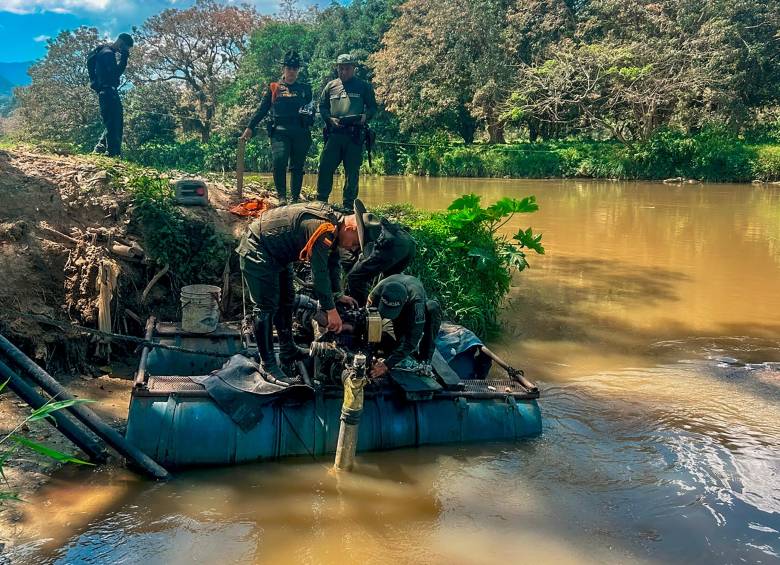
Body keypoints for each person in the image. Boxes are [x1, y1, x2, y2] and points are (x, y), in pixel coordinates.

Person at [236, 202, 360, 382]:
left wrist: (338, 295)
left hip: (278, 255)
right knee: (265, 308)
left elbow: (332, 264)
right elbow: (319, 274)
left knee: (287, 300)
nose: (352, 248)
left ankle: (288, 349)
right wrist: (330, 310)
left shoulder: (335, 228)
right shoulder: (324, 229)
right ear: (350, 227)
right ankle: (268, 364)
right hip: (258, 249)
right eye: (355, 243)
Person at [241, 50, 314, 204]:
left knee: (297, 166)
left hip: (300, 133)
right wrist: (250, 127)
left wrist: (309, 118)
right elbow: (262, 109)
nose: (292, 71)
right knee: (279, 162)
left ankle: (294, 199)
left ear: (298, 70)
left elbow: (311, 110)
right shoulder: (274, 87)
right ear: (283, 69)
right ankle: (281, 197)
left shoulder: (305, 89)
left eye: (295, 68)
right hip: (279, 132)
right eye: (289, 68)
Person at [316, 53, 377, 211]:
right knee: (325, 166)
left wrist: (365, 117)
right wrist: (329, 119)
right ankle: (321, 201)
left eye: (347, 68)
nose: (343, 71)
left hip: (354, 135)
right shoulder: (331, 86)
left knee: (352, 171)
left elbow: (372, 107)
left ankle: (348, 205)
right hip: (335, 134)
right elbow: (322, 106)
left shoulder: (363, 86)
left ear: (353, 69)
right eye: (340, 68)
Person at [367, 274, 442, 379]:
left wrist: (387, 365)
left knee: (432, 308)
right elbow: (367, 318)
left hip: (409, 309)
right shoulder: (377, 291)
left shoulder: (417, 303)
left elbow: (412, 340)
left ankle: (425, 360)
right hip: (395, 303)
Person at [346, 198, 416, 306]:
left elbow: (367, 258)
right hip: (407, 242)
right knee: (390, 279)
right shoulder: (379, 227)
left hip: (391, 246)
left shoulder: (379, 244)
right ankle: (387, 307)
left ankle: (360, 310)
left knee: (354, 278)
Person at [89, 33, 133, 157]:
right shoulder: (108, 54)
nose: (126, 50)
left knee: (112, 121)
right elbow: (115, 73)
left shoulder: (103, 51)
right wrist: (124, 58)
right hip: (108, 92)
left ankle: (100, 149)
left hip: (105, 91)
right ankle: (112, 153)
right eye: (126, 47)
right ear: (121, 43)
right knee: (115, 123)